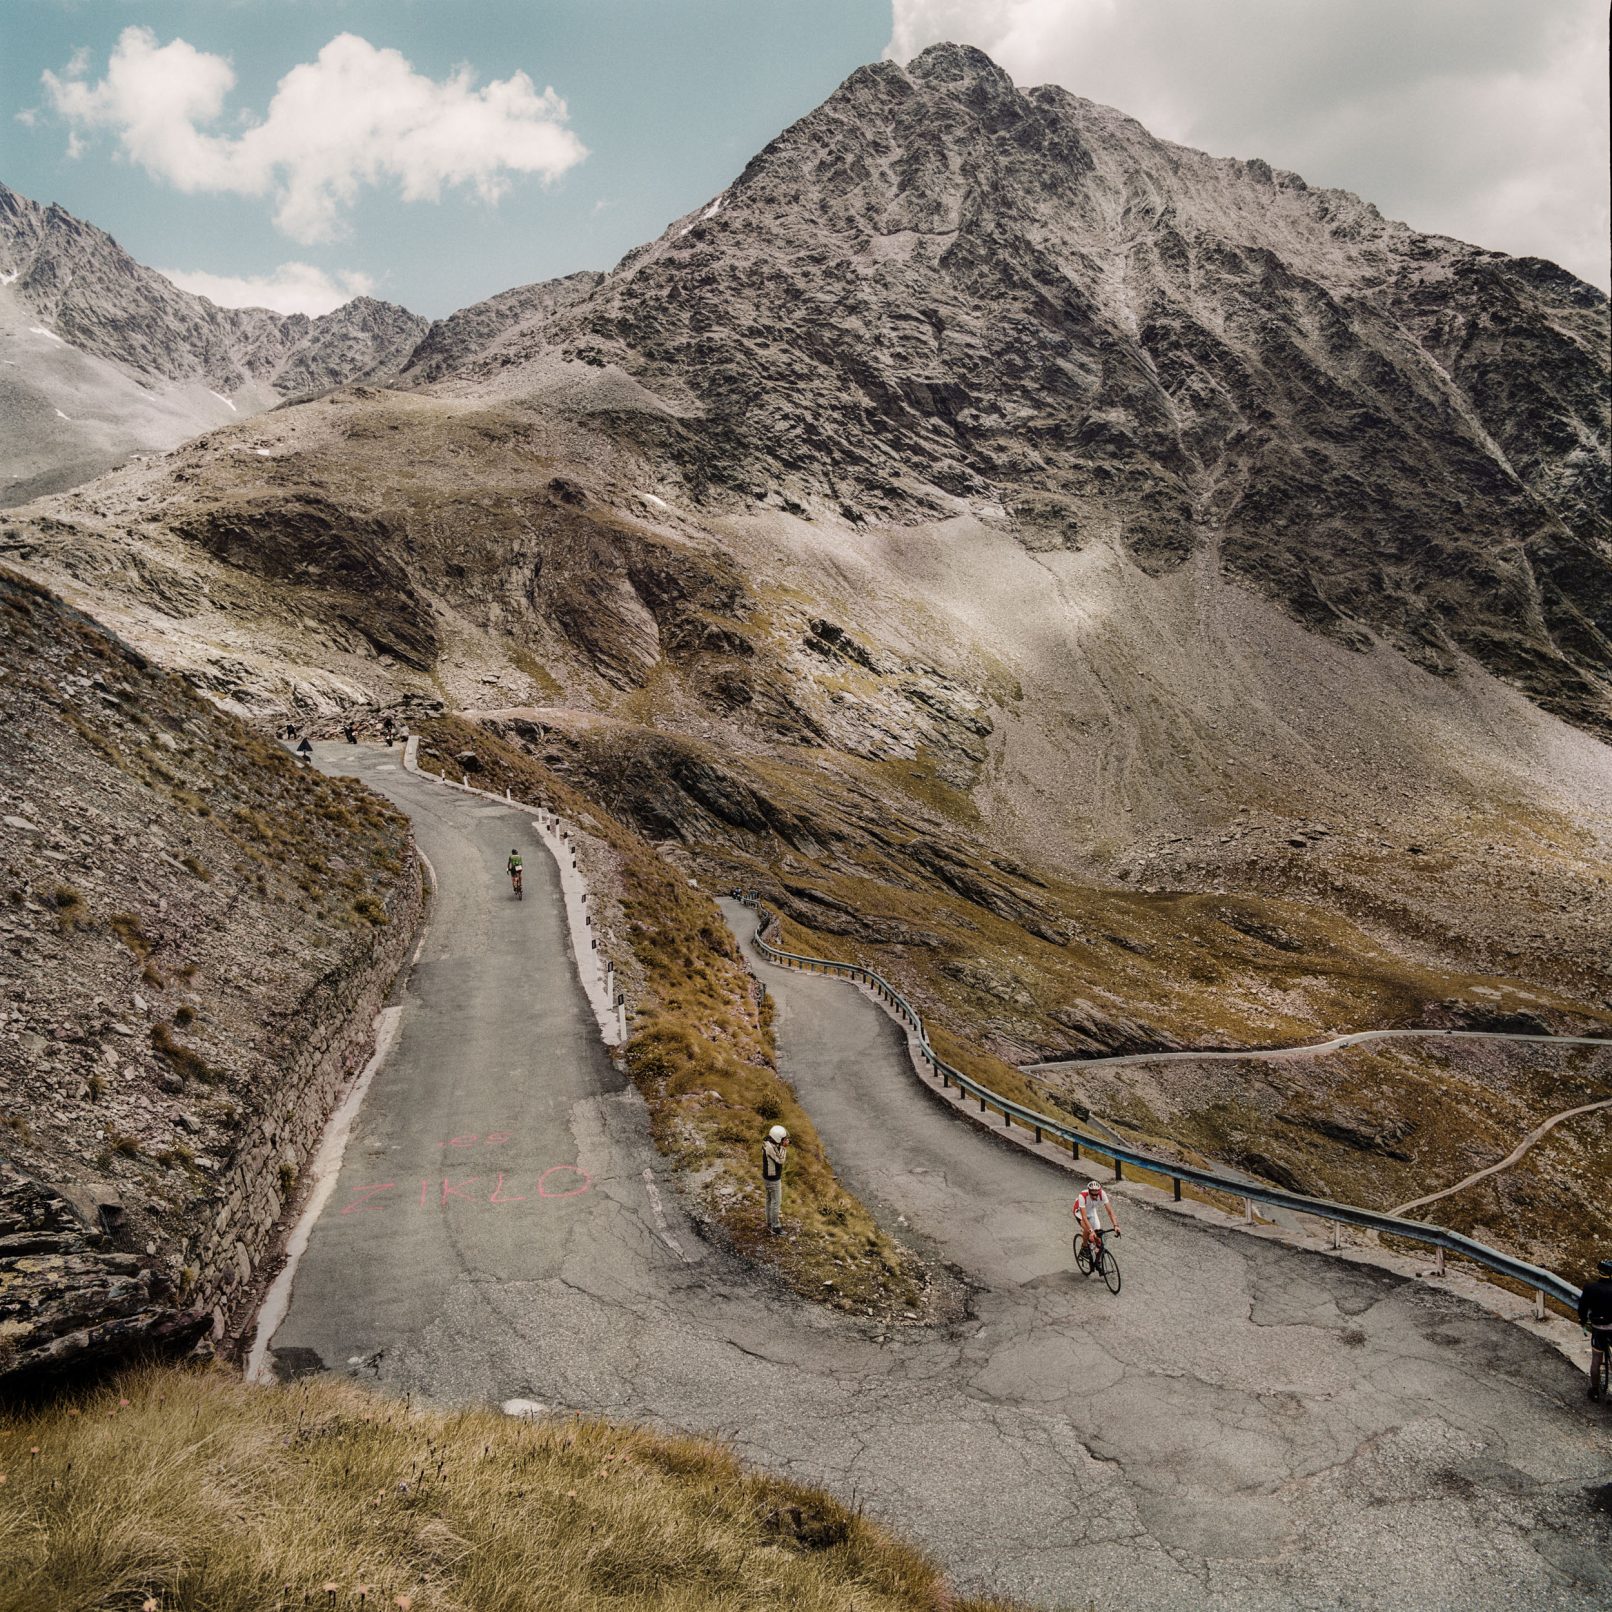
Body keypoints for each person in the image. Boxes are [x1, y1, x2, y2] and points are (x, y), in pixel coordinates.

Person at [1580, 1258, 1612, 1400]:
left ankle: (1594, 1391)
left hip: (1598, 1328)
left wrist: (1583, 1321)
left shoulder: (1590, 1288)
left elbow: (1583, 1308)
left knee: (1596, 1359)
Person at [1074, 1178, 1121, 1255]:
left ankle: (1097, 1260)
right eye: (1093, 1194)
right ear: (1089, 1192)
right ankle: (1084, 1247)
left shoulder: (1102, 1194)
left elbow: (1110, 1211)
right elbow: (1084, 1217)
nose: (1095, 1196)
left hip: (1091, 1211)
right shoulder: (1082, 1196)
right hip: (1079, 1212)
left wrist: (1116, 1225)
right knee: (1087, 1229)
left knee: (1098, 1235)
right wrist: (1091, 1231)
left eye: (1097, 1194)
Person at [762, 1124, 789, 1234]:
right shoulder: (771, 1148)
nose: (785, 1140)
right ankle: (775, 1227)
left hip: (767, 1177)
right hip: (773, 1179)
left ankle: (769, 1222)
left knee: (769, 1200)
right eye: (783, 1139)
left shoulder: (767, 1143)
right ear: (778, 1138)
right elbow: (781, 1160)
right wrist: (783, 1147)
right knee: (776, 1202)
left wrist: (781, 1145)